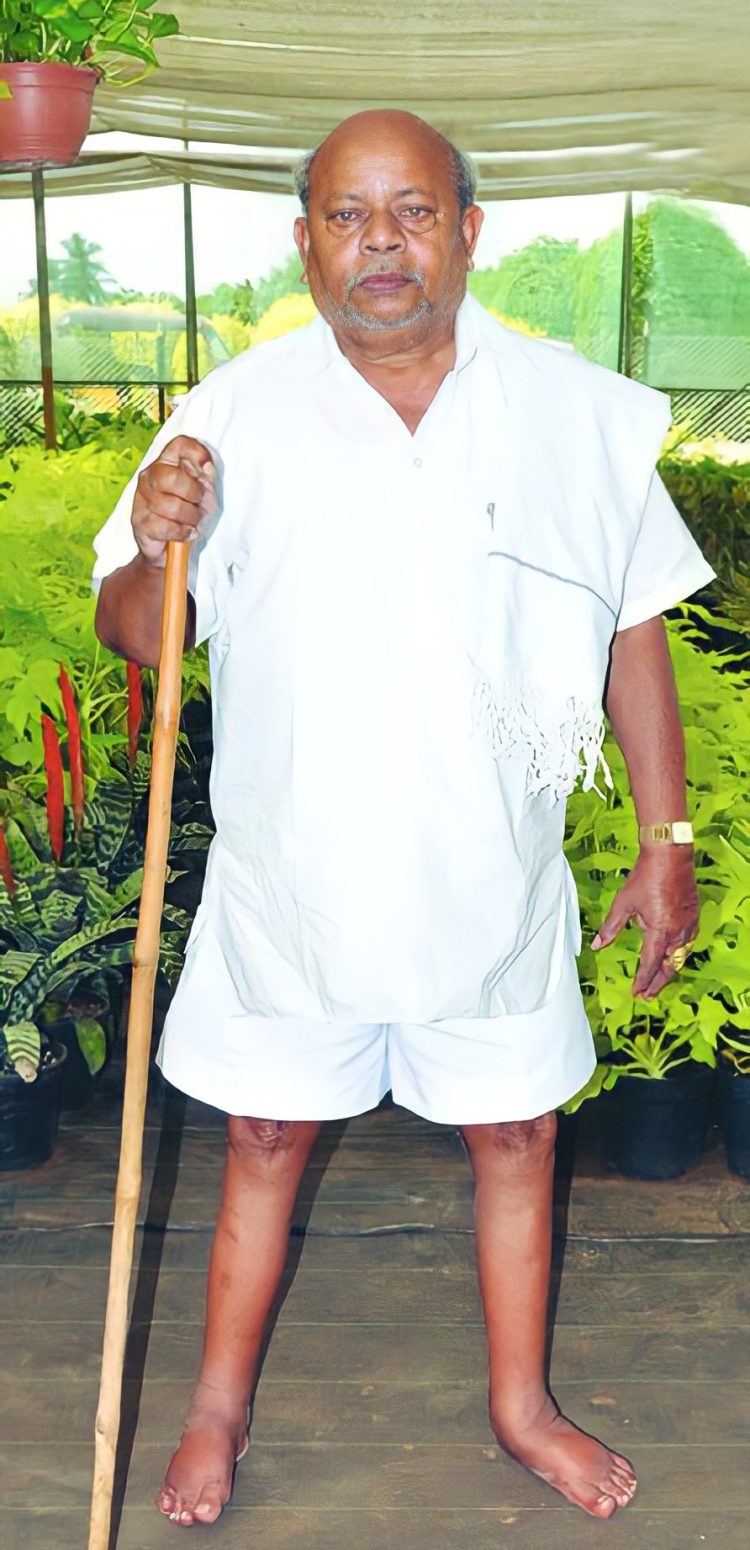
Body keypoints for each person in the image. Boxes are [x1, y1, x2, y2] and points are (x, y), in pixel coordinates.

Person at [92, 109, 714, 1528]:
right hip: (292, 880)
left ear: (468, 230)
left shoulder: (574, 412)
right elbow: (141, 636)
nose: (383, 243)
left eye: (414, 211)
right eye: (350, 215)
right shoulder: (230, 414)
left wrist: (662, 843)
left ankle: (519, 1403)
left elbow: (629, 628)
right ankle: (215, 1404)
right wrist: (152, 533)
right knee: (261, 1134)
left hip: (491, 877)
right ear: (305, 239)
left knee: (516, 1139)